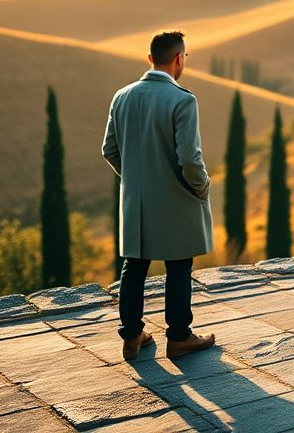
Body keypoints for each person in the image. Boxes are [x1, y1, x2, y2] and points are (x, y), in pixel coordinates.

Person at [103, 30, 217, 361]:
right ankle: (179, 337)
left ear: (149, 58)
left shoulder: (121, 96)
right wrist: (202, 185)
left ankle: (132, 335)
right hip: (175, 198)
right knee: (178, 264)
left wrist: (138, 179)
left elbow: (109, 149)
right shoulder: (183, 100)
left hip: (135, 199)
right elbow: (190, 159)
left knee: (134, 265)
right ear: (179, 59)